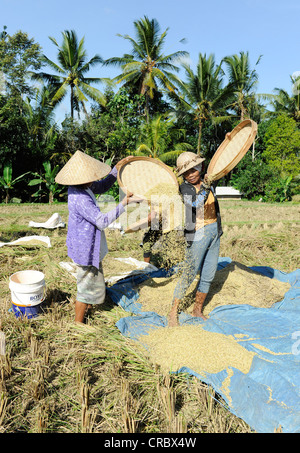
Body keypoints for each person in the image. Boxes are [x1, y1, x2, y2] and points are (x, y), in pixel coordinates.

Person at [55, 150, 141, 323]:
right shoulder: (80, 198)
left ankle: (87, 308)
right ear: (81, 179)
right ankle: (78, 325)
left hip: (88, 244)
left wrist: (116, 169)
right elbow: (101, 221)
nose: (94, 180)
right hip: (85, 248)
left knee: (92, 282)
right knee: (85, 288)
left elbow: (101, 186)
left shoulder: (82, 186)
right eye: (91, 177)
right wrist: (124, 203)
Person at [168, 151, 223, 327]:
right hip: (198, 233)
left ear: (200, 168)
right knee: (189, 274)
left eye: (193, 170)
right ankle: (173, 312)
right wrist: (206, 187)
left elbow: (224, 166)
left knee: (208, 274)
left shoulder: (209, 183)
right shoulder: (185, 188)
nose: (190, 175)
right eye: (186, 172)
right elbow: (195, 205)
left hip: (214, 231)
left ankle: (197, 310)